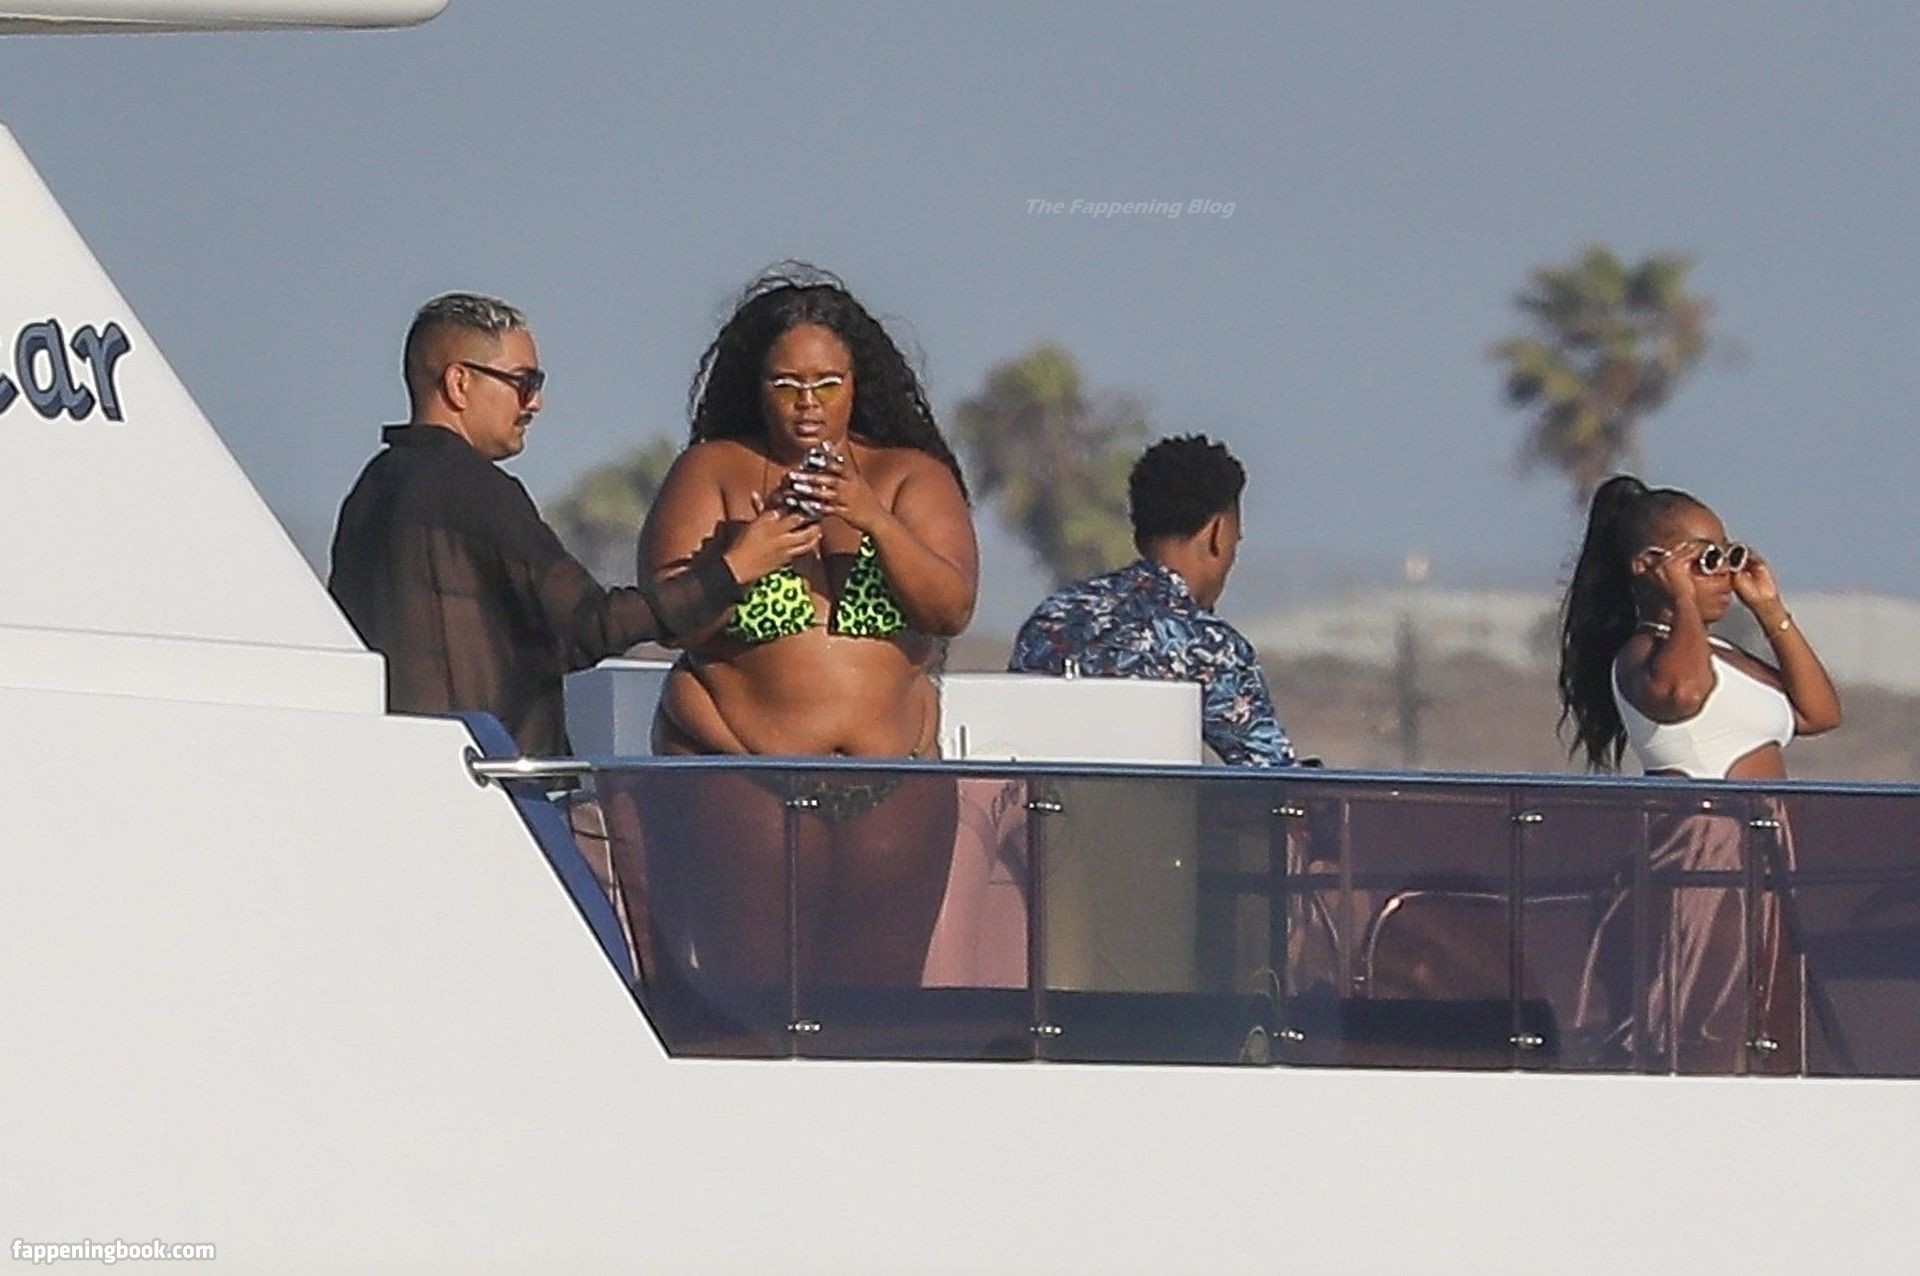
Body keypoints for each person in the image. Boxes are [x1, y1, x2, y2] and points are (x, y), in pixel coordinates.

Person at [629, 266, 978, 991]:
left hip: (891, 783)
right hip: (743, 776)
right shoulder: (713, 470)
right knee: (753, 999)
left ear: (858, 383)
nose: (807, 404)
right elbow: (671, 619)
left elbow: (950, 609)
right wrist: (749, 555)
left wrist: (873, 518)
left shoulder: (910, 476)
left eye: (826, 384)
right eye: (786, 384)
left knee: (878, 1011)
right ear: (757, 386)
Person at [329, 291, 819, 756]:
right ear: (459, 383)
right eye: (524, 382)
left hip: (398, 770)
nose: (534, 404)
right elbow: (590, 624)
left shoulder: (371, 491)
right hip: (488, 782)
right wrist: (733, 570)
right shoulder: (474, 489)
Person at [1557, 474, 1842, 1072]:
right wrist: (1683, 602)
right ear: (1649, 567)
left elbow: (1819, 713)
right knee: (1703, 1027)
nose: (1723, 577)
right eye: (1705, 561)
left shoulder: (1726, 657)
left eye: (1727, 556)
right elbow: (1682, 694)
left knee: (1764, 1028)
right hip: (1704, 853)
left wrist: (1770, 610)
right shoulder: (1642, 656)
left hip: (1764, 850)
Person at [1007, 433, 1297, 767]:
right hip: (1151, 804)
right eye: (1237, 539)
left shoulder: (1051, 619)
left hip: (1046, 802)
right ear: (1218, 534)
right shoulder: (1207, 645)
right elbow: (1274, 779)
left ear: (1138, 534)